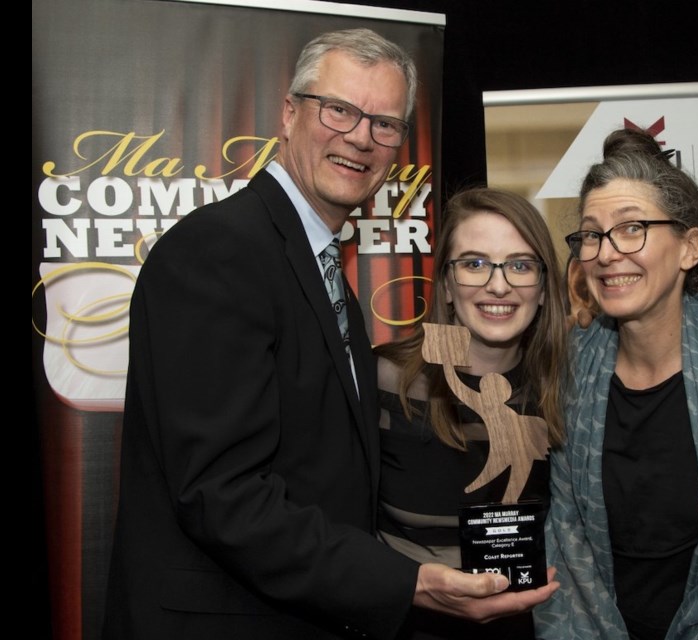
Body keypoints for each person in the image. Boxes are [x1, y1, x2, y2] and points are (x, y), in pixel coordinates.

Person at [102, 29, 557, 640]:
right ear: (290, 114)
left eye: (385, 123)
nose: (360, 137)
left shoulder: (318, 268)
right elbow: (222, 494)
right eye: (339, 109)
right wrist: (407, 581)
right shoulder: (219, 251)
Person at [535, 128, 698, 640]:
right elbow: (569, 549)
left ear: (690, 248)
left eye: (631, 229)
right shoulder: (569, 366)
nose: (606, 253)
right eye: (591, 233)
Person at [374, 187, 568, 640]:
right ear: (445, 284)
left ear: (543, 288)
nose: (497, 285)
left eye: (520, 265)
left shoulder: (569, 388)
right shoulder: (383, 379)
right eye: (474, 264)